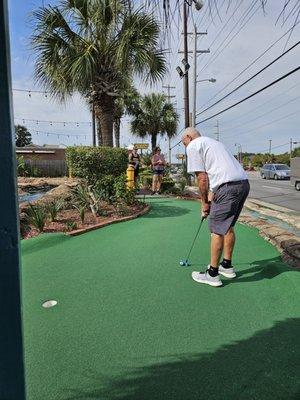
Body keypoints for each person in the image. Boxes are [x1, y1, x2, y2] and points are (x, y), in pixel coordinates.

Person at [182, 127, 250, 287]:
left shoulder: (193, 146)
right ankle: (226, 266)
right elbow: (217, 175)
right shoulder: (215, 143)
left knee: (217, 230)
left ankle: (212, 274)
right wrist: (210, 200)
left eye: (182, 142)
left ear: (188, 137)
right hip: (243, 185)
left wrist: (204, 203)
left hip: (228, 188)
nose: (183, 146)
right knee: (228, 226)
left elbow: (202, 179)